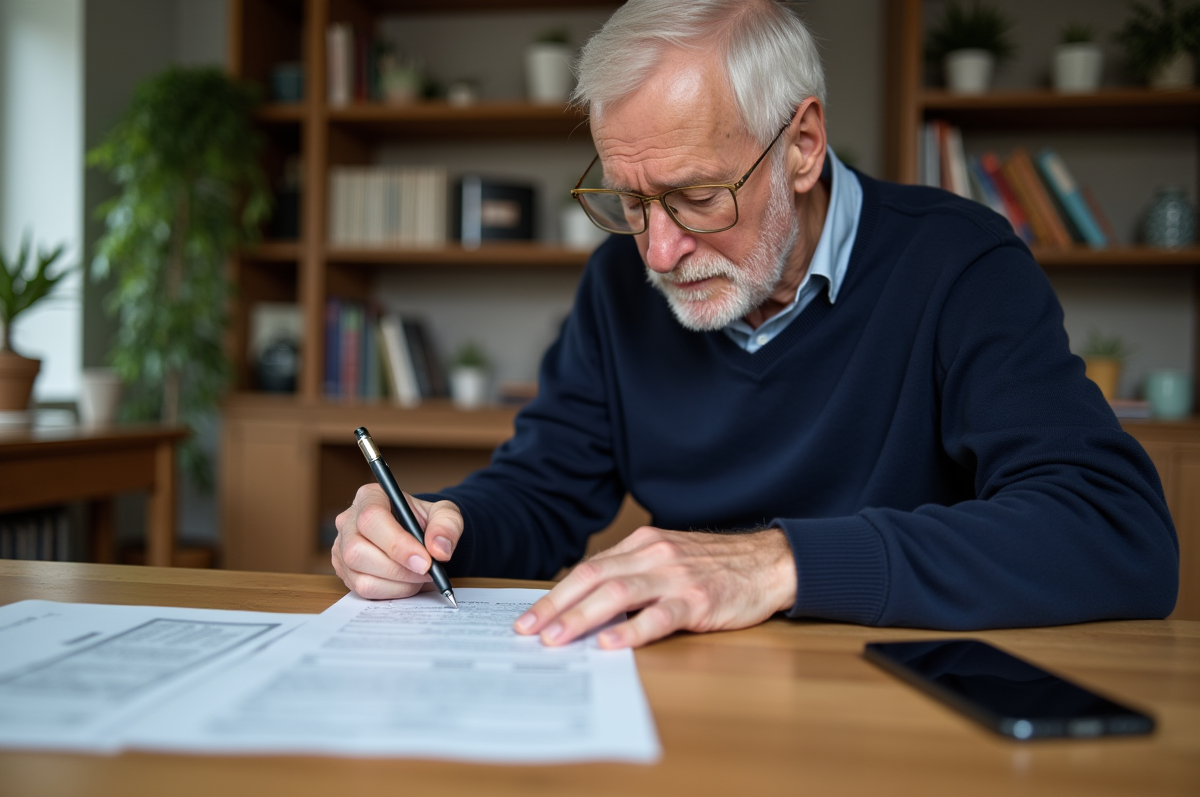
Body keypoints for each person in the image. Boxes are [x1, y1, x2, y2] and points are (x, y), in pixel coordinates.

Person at [332, 0, 1178, 649]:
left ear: (802, 144)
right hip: (691, 701)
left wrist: (779, 563)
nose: (658, 253)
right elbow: (545, 489)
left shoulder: (960, 266)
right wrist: (439, 529)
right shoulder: (618, 287)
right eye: (631, 204)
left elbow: (1115, 530)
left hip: (896, 711)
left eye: (697, 197)